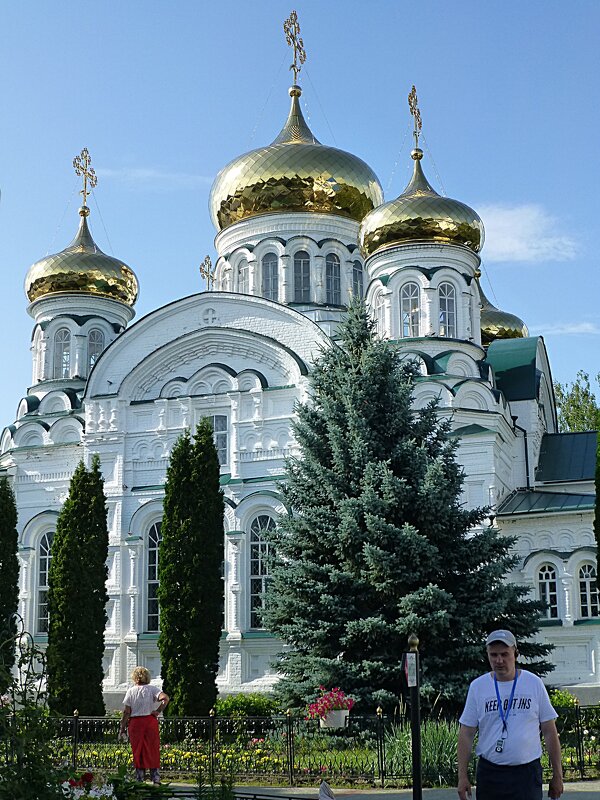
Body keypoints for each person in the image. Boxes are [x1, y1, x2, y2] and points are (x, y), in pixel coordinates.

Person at [457, 630, 563, 800]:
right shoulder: (478, 687)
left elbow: (549, 731)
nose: (499, 660)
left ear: (515, 653)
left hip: (526, 775)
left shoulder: (533, 683)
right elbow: (466, 733)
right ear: (488, 655)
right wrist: (462, 776)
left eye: (504, 654)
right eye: (494, 655)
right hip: (490, 774)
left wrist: (558, 775)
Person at [120, 666, 169, 784]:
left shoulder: (131, 691)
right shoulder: (152, 689)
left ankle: (139, 778)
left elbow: (127, 711)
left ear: (135, 677)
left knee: (138, 750)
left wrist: (122, 727)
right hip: (150, 721)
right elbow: (165, 698)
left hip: (136, 723)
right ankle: (155, 778)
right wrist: (158, 711)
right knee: (152, 749)